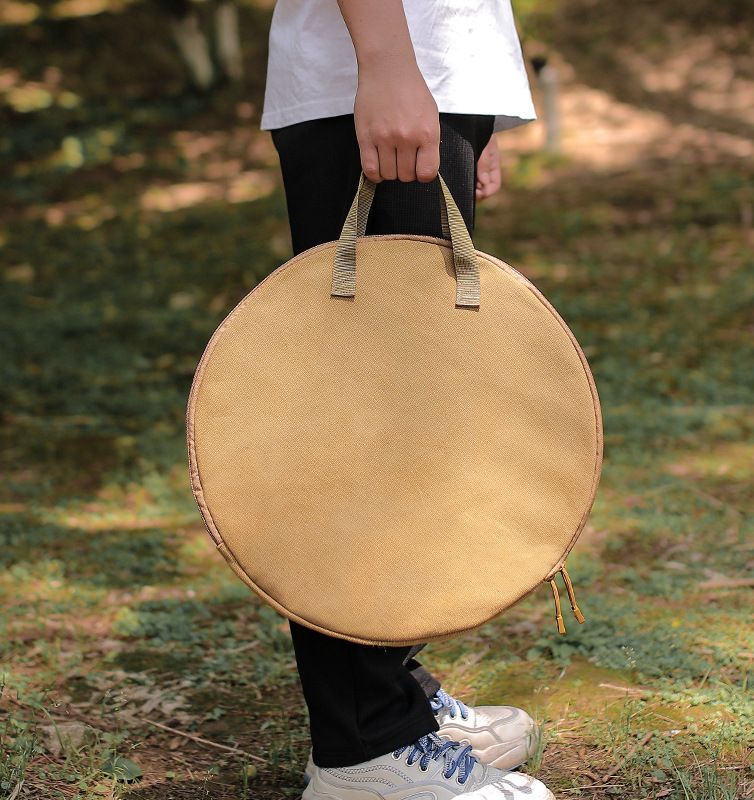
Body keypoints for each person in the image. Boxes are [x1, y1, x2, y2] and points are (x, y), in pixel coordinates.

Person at [261, 2, 553, 798]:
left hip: (422, 73)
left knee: (415, 429)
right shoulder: (384, 68)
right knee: (366, 427)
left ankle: (393, 696)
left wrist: (479, 112)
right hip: (377, 73)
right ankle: (364, 746)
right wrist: (388, 64)